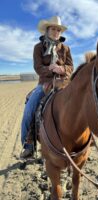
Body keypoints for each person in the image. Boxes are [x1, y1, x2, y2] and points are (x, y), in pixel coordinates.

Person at [20, 16, 74, 159]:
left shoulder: (66, 48)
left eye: (59, 29)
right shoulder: (38, 47)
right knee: (30, 107)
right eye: (53, 29)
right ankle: (29, 145)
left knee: (84, 99)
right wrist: (51, 69)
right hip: (45, 83)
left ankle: (88, 138)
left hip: (64, 82)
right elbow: (38, 67)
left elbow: (70, 67)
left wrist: (61, 69)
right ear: (47, 30)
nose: (56, 32)